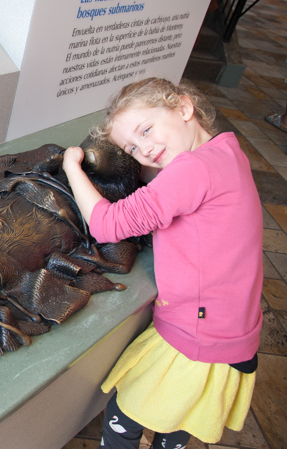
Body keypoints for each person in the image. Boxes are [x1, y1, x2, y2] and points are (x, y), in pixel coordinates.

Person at [62, 78, 263, 448]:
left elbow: (109, 224)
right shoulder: (226, 150)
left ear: (184, 108)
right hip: (233, 331)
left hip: (198, 337)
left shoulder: (192, 171)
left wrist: (72, 167)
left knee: (125, 418)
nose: (146, 149)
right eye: (133, 147)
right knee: (179, 420)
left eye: (147, 129)